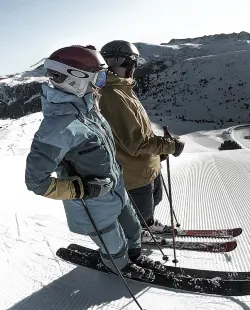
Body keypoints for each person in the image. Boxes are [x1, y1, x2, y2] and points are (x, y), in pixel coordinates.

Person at [24, 44, 159, 281]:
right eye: (99, 77)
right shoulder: (56, 128)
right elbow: (36, 181)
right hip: (93, 203)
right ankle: (119, 265)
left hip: (117, 190)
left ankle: (134, 256)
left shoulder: (88, 108)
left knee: (133, 230)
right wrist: (82, 189)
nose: (101, 84)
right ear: (75, 80)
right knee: (114, 245)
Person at [97, 40, 184, 242]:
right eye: (130, 63)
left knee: (154, 201)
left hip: (146, 165)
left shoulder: (124, 88)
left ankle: (147, 224)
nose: (134, 68)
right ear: (114, 63)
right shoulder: (111, 94)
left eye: (134, 63)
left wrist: (158, 152)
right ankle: (134, 236)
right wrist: (169, 146)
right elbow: (136, 143)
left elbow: (139, 132)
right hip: (133, 171)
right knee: (139, 211)